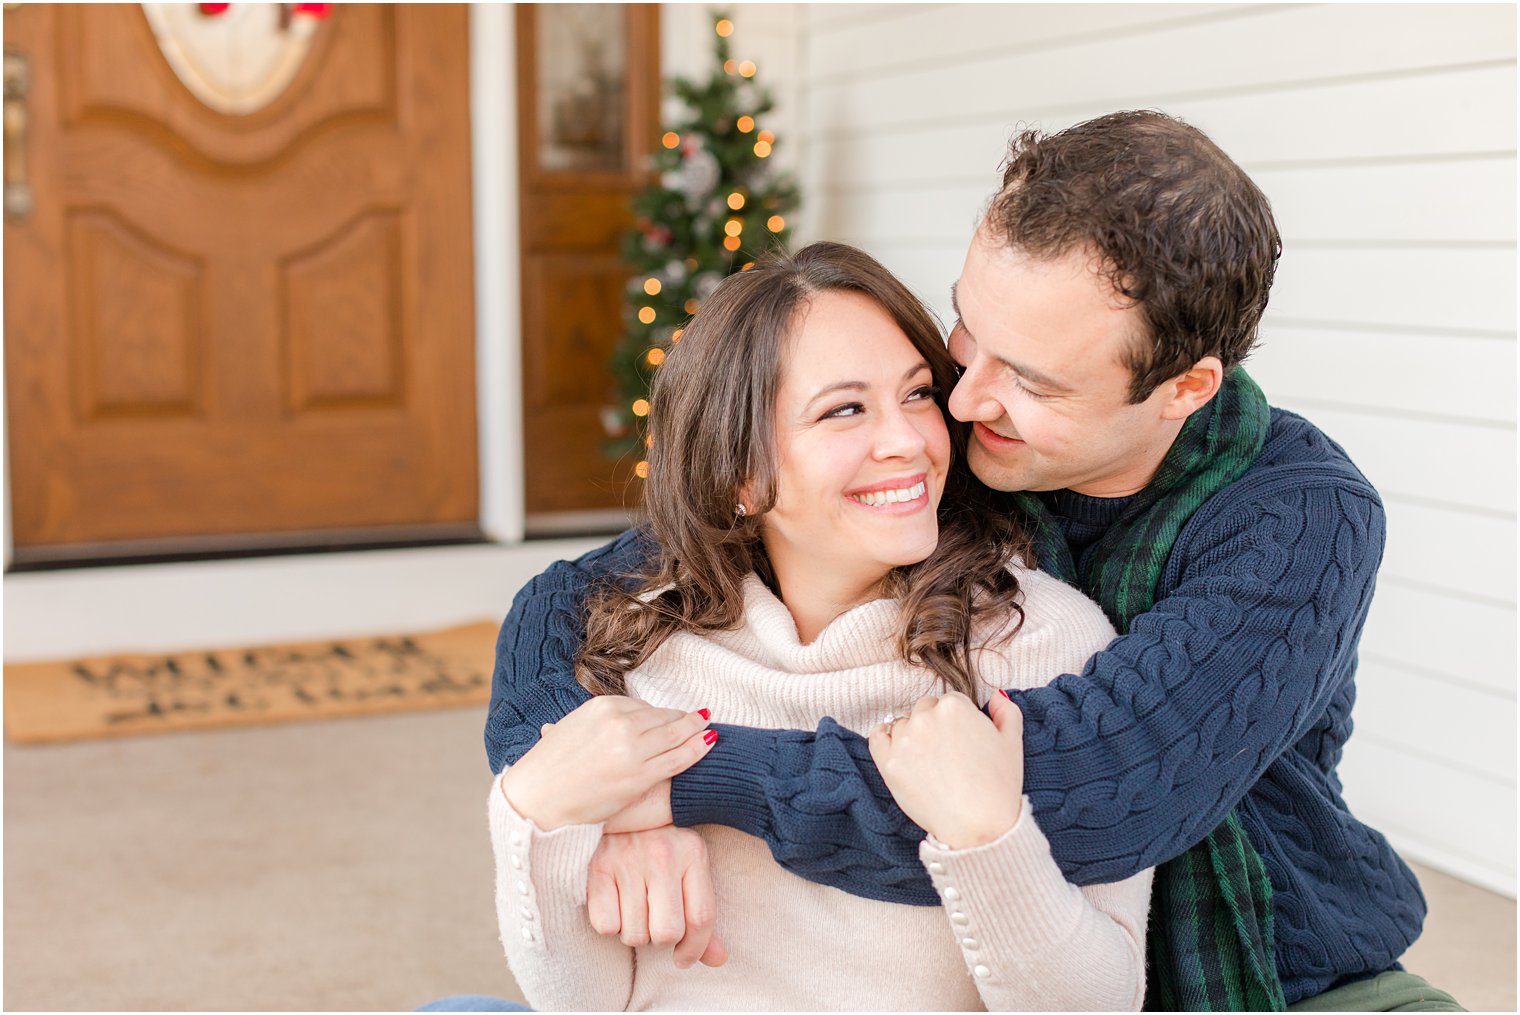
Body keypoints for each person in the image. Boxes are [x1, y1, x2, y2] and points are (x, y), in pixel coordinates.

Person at [488, 112, 1455, 1010]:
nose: (957, 399)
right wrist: (576, 777)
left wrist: (675, 782)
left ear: (1183, 388)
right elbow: (586, 596)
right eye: (965, 329)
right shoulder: (945, 436)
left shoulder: (1299, 519)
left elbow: (1087, 795)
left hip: (1272, 970)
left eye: (1027, 378)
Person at [486, 242, 1151, 1011]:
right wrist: (533, 812)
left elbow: (1100, 1002)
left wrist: (986, 837)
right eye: (844, 409)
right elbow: (586, 1002)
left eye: (917, 394)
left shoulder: (1044, 646)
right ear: (740, 475)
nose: (909, 440)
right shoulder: (642, 650)